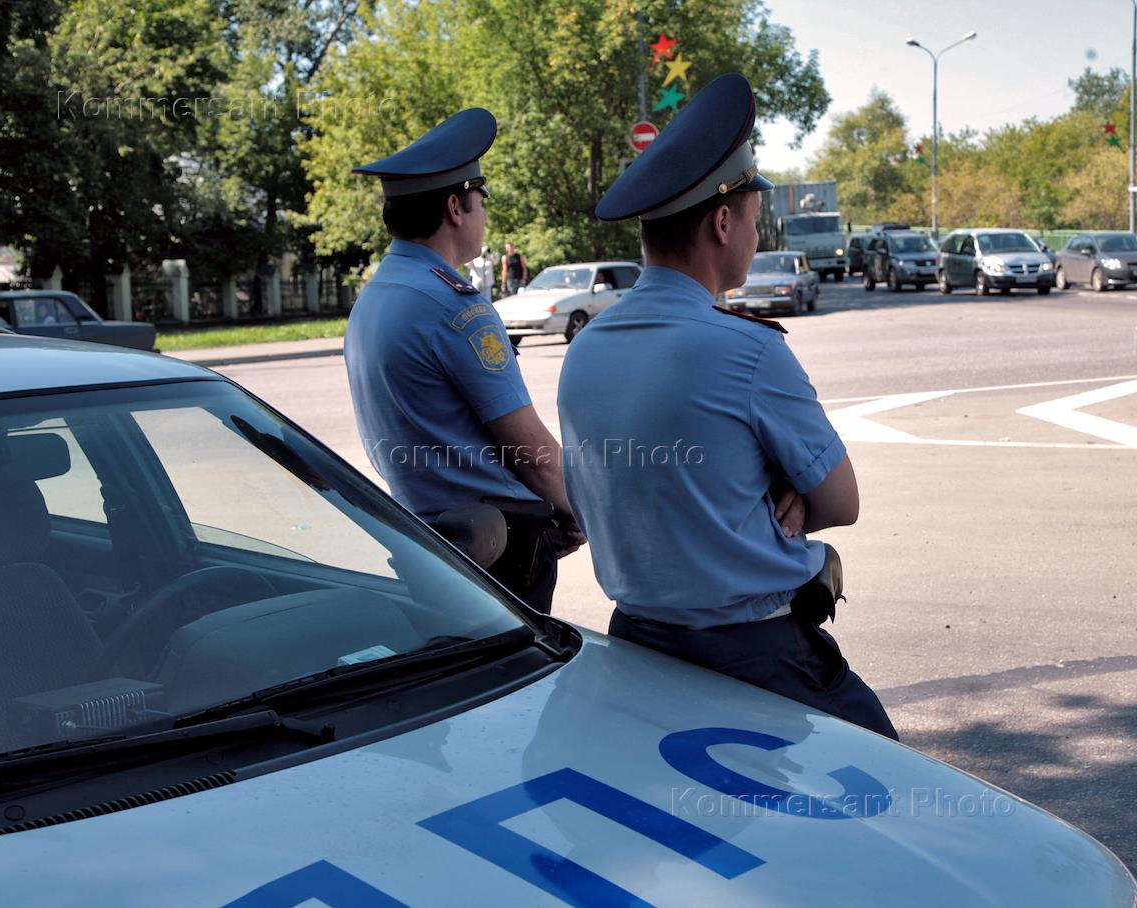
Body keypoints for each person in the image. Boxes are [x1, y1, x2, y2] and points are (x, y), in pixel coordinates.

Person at [556, 73, 897, 738]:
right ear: (721, 222)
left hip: (637, 644)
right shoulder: (748, 352)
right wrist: (779, 482)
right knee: (884, 796)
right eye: (752, 220)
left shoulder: (585, 348)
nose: (756, 235)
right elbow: (841, 503)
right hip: (756, 655)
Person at [346, 107, 584, 613]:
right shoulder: (457, 308)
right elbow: (535, 456)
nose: (483, 213)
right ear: (456, 207)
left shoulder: (377, 295)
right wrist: (581, 510)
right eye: (481, 200)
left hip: (428, 543)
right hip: (497, 553)